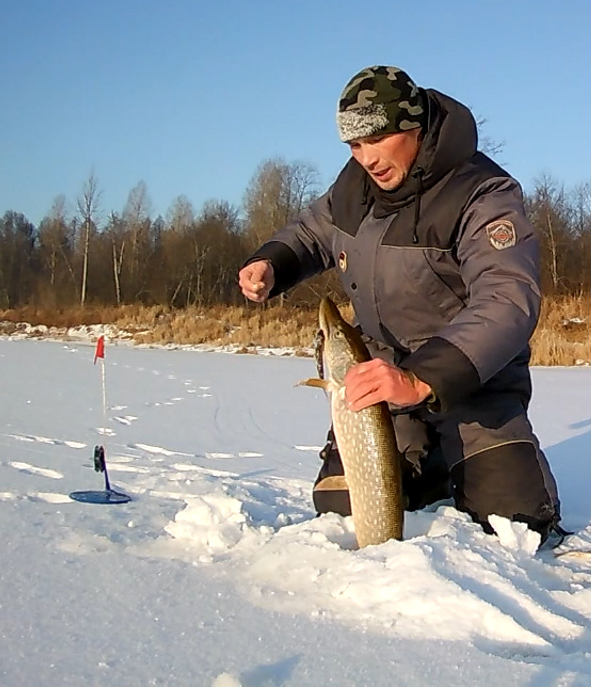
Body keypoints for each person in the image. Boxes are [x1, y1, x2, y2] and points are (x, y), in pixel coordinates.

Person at [237, 65, 563, 544]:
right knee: (341, 511)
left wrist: (422, 377)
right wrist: (273, 263)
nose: (366, 158)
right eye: (353, 145)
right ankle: (427, 462)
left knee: (515, 527)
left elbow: (506, 300)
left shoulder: (482, 192)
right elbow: (312, 233)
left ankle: (470, 456)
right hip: (380, 380)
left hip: (470, 382)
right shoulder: (355, 188)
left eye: (377, 138)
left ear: (413, 126)